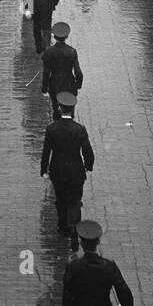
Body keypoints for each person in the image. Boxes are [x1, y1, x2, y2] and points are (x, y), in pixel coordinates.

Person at [40, 91, 95, 251]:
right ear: (72, 110)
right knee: (75, 201)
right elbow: (88, 152)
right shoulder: (80, 129)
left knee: (61, 199)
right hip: (76, 172)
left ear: (59, 107)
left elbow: (46, 152)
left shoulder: (52, 129)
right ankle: (75, 230)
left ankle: (63, 227)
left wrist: (44, 170)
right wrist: (88, 166)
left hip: (58, 172)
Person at [41, 20, 83, 120]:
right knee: (69, 109)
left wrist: (44, 86)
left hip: (54, 84)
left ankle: (57, 126)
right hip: (69, 84)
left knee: (56, 109)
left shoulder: (49, 51)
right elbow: (78, 72)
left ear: (54, 36)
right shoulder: (72, 51)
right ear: (66, 36)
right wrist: (78, 85)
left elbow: (46, 72)